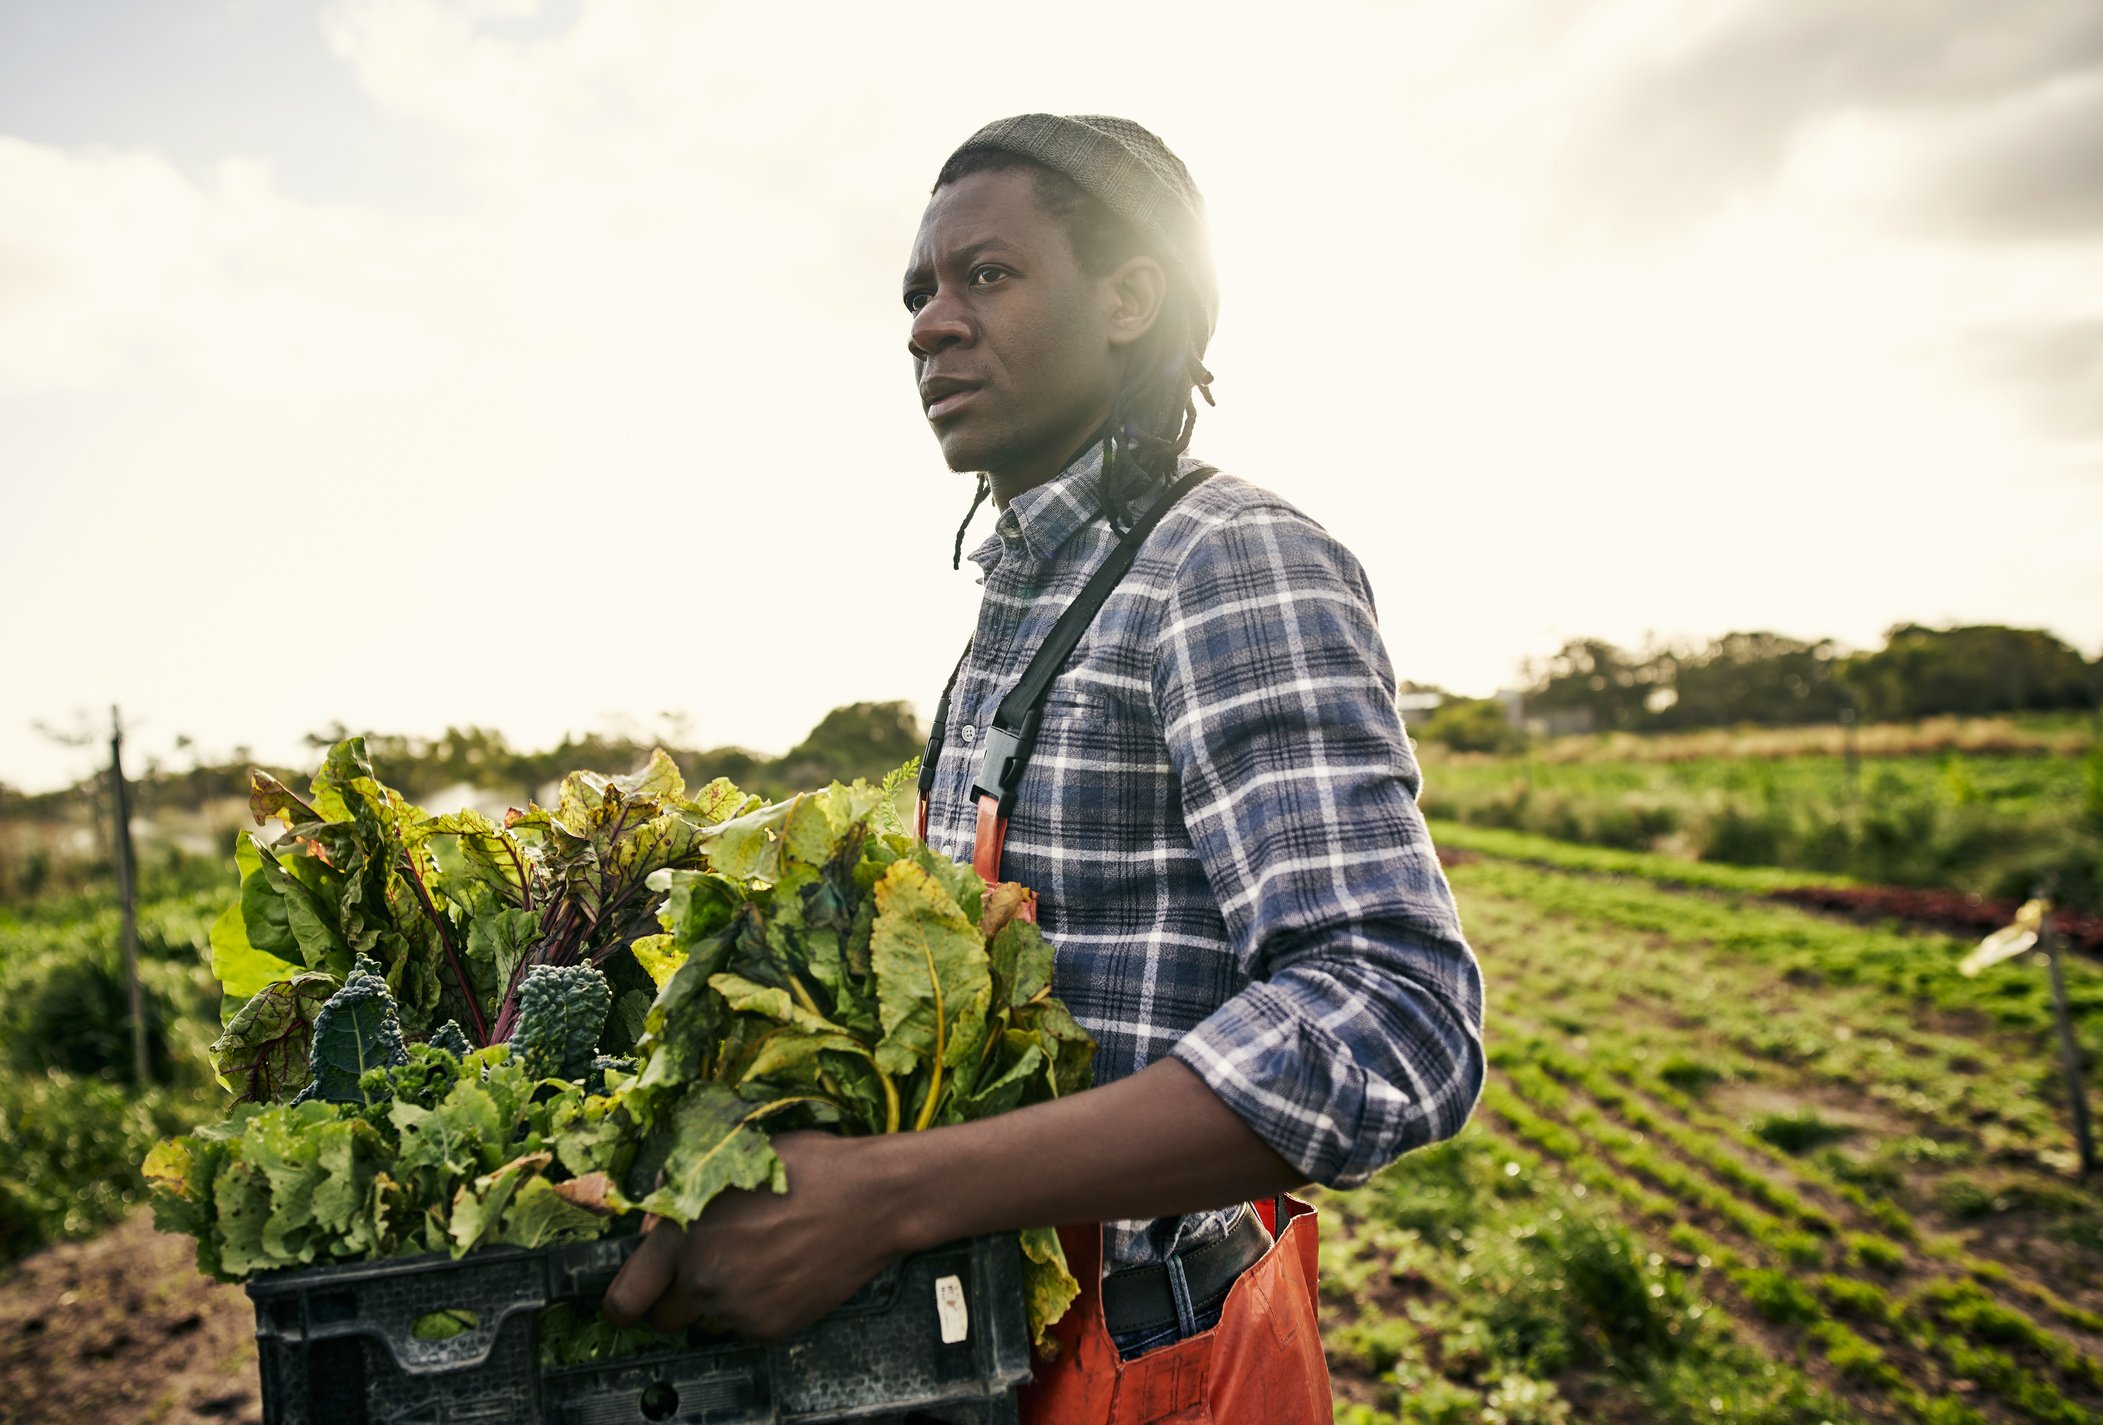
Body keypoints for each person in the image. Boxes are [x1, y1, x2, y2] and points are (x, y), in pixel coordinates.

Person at [604, 113, 1485, 1420]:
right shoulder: (1014, 616)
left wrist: (891, 1196)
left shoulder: (1225, 564)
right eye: (916, 293)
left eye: (987, 276)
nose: (928, 324)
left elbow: (1394, 1014)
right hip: (1001, 1360)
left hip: (1163, 1373)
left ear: (1132, 297)